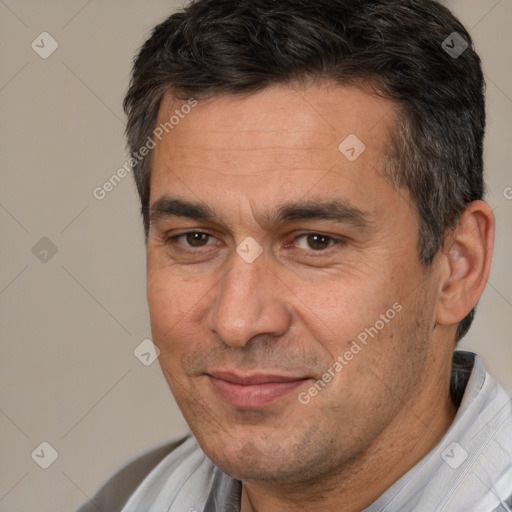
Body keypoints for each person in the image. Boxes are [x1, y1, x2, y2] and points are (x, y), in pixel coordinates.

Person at [78, 0, 512, 510]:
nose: (237, 321)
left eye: (315, 241)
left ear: (457, 266)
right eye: (196, 238)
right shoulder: (127, 495)